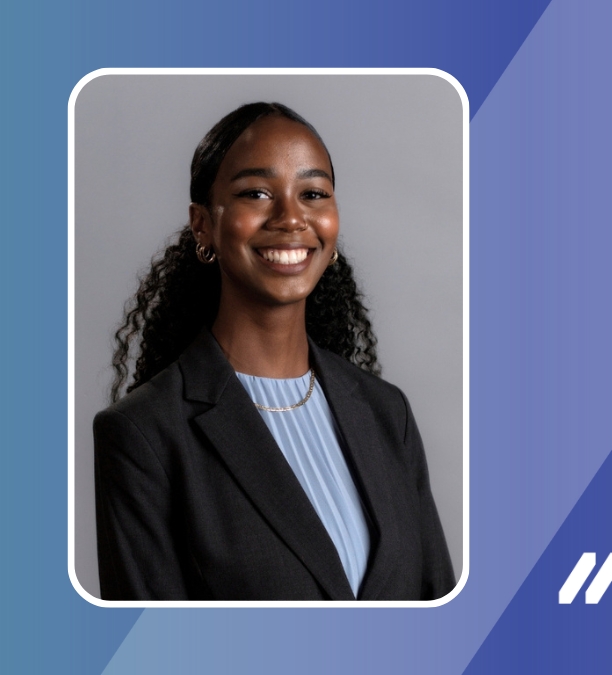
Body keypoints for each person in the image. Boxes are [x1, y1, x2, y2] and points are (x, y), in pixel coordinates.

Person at [94, 102, 456, 601]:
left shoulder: (386, 413)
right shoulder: (144, 434)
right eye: (256, 193)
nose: (291, 217)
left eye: (313, 193)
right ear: (203, 226)